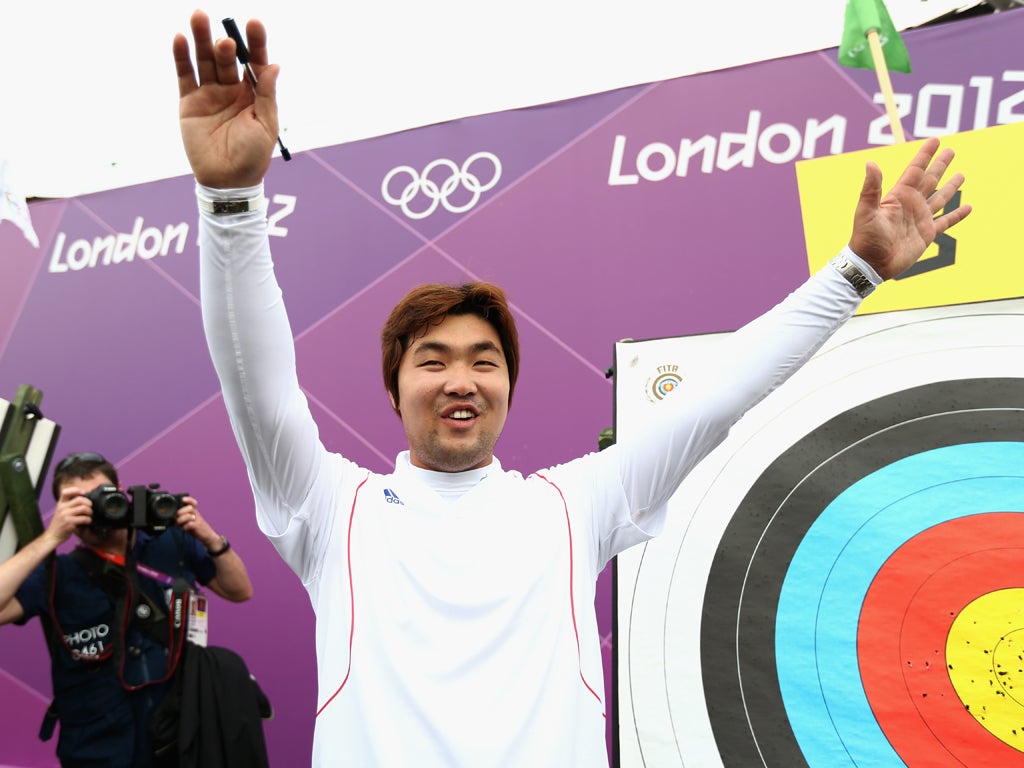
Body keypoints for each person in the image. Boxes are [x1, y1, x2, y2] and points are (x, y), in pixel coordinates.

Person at [172, 9, 972, 766]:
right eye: (434, 360)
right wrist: (231, 204)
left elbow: (721, 391)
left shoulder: (572, 505)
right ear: (395, 391)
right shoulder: (328, 507)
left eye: (486, 361)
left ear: (509, 390)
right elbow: (257, 383)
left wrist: (856, 272)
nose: (462, 380)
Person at [0, 451, 254, 767]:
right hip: (100, 745)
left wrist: (209, 536)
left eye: (101, 495)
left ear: (121, 491)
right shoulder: (57, 574)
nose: (95, 508)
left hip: (181, 737)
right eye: (78, 501)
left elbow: (239, 590)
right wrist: (51, 537)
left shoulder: (169, 542)